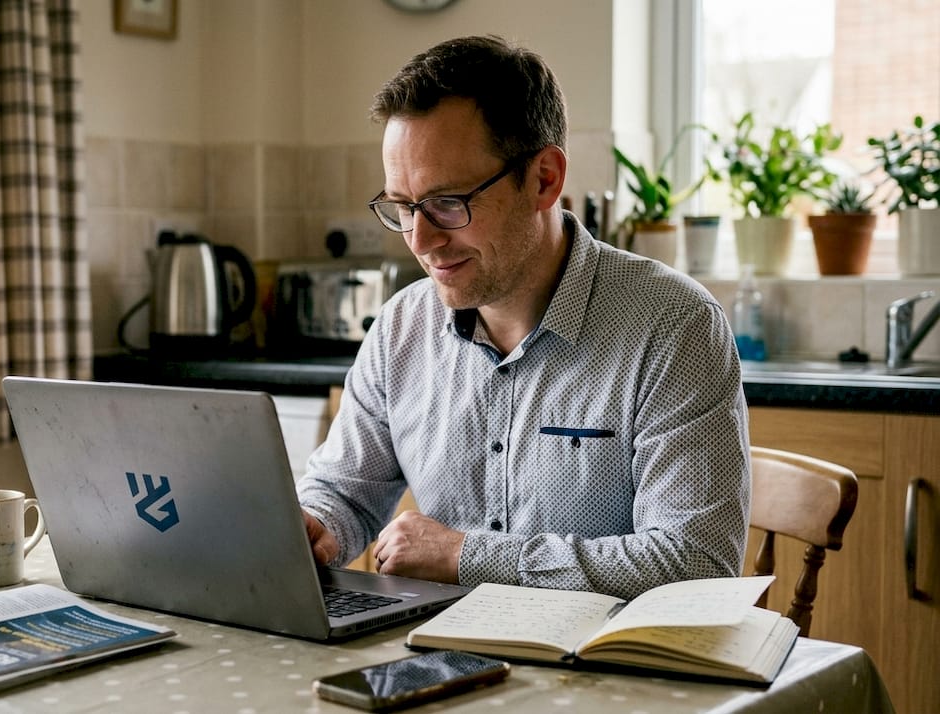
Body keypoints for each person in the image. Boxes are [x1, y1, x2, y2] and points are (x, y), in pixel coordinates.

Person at [296, 35, 749, 601]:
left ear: (544, 179)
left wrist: (468, 557)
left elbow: (697, 563)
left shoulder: (672, 327)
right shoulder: (399, 330)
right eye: (403, 208)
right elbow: (344, 491)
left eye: (447, 203)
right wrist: (314, 525)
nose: (422, 240)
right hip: (441, 662)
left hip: (603, 677)